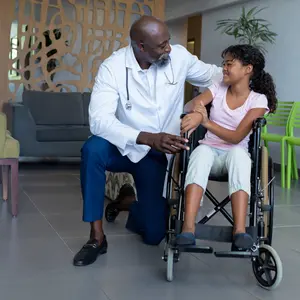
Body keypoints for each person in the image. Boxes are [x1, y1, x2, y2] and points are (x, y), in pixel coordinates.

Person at [73, 15, 222, 267]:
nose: (168, 48)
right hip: (122, 146)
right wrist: (147, 138)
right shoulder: (113, 67)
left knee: (154, 235)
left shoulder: (179, 57)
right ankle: (96, 237)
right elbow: (99, 121)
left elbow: (215, 77)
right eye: (162, 45)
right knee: (92, 149)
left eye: (168, 41)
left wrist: (201, 105)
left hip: (156, 153)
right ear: (140, 46)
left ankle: (128, 202)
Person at [177, 44, 277, 250]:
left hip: (236, 152)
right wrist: (197, 113)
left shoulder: (258, 100)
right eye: (224, 63)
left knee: (240, 157)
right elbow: (190, 105)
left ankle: (239, 230)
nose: (224, 68)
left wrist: (206, 122)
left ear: (248, 69)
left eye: (229, 64)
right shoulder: (218, 88)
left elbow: (237, 136)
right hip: (209, 151)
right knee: (200, 153)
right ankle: (188, 228)